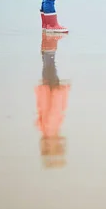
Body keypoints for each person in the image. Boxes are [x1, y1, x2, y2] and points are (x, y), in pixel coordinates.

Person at [35, 32, 71, 168]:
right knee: (49, 63)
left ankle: (48, 44)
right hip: (51, 89)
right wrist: (59, 91)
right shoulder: (49, 129)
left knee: (49, 64)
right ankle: (47, 44)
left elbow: (50, 109)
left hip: (49, 89)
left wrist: (57, 91)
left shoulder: (48, 129)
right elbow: (55, 109)